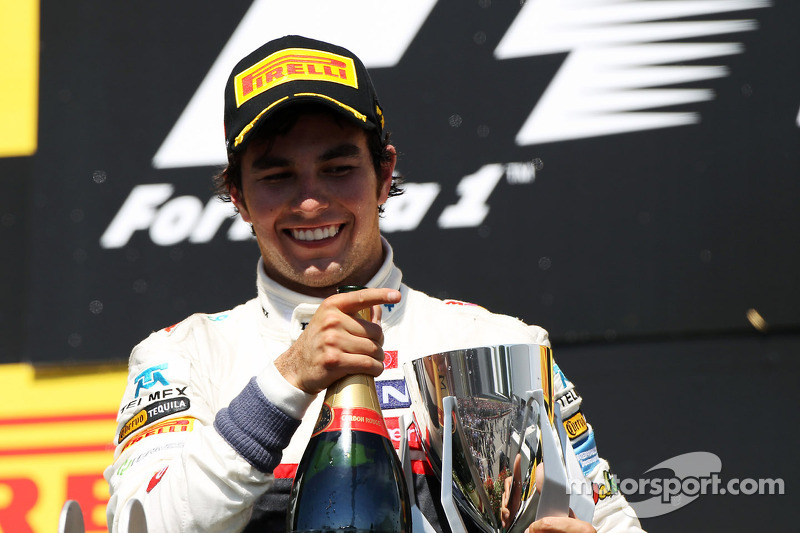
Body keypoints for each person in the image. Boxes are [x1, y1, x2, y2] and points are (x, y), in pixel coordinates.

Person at [105, 35, 644, 533]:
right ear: (238, 196)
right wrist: (285, 383)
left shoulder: (501, 343)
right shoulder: (182, 356)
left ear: (385, 175)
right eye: (276, 177)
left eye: (338, 169)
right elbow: (141, 525)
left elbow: (614, 520)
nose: (311, 201)